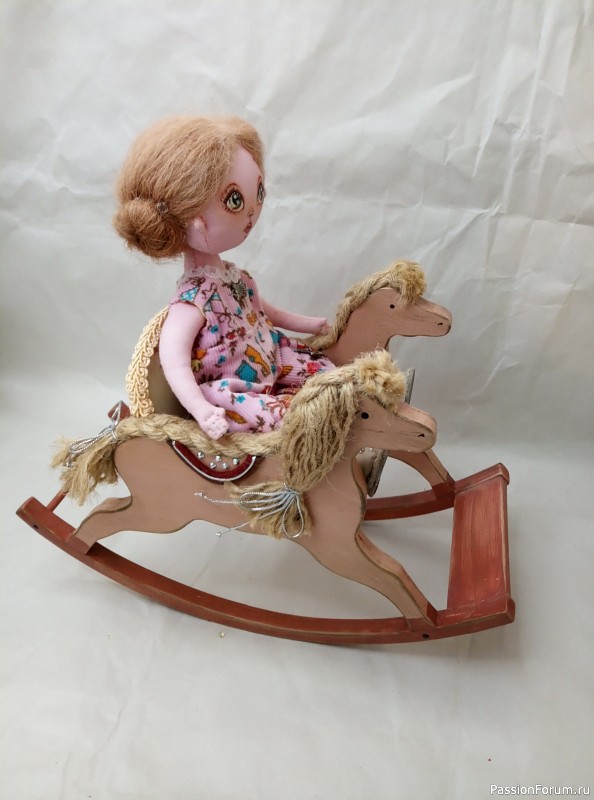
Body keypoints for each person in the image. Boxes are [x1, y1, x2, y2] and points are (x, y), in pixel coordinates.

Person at [114, 116, 334, 439]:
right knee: (287, 420)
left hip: (271, 355)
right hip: (234, 390)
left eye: (258, 192)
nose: (252, 212)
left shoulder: (233, 277)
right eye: (235, 201)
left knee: (326, 372)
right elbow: (175, 363)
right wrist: (201, 410)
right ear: (191, 220)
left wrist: (308, 324)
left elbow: (264, 311)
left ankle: (335, 414)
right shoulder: (191, 303)